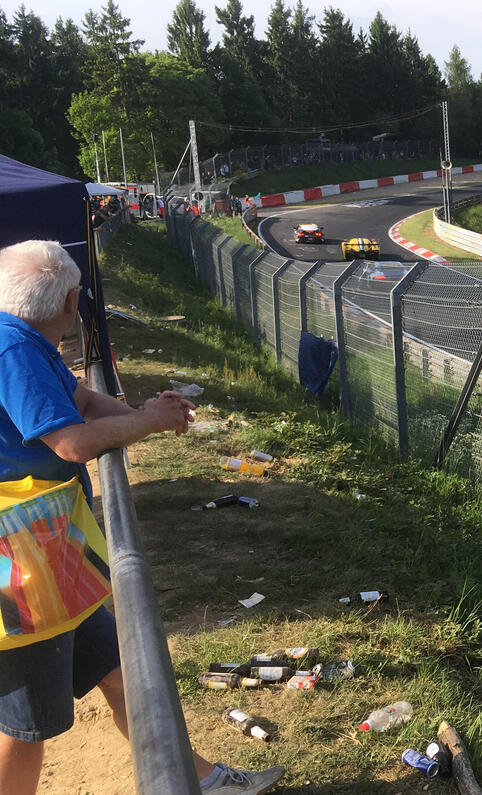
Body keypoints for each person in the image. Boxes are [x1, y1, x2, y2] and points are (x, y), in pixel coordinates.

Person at [0, 240, 285, 795]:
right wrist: (149, 423)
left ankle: (202, 781)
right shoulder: (12, 351)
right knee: (24, 723)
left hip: (49, 558)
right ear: (71, 303)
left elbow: (78, 401)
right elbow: (74, 442)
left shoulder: (21, 341)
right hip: (23, 569)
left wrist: (146, 415)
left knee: (123, 671)